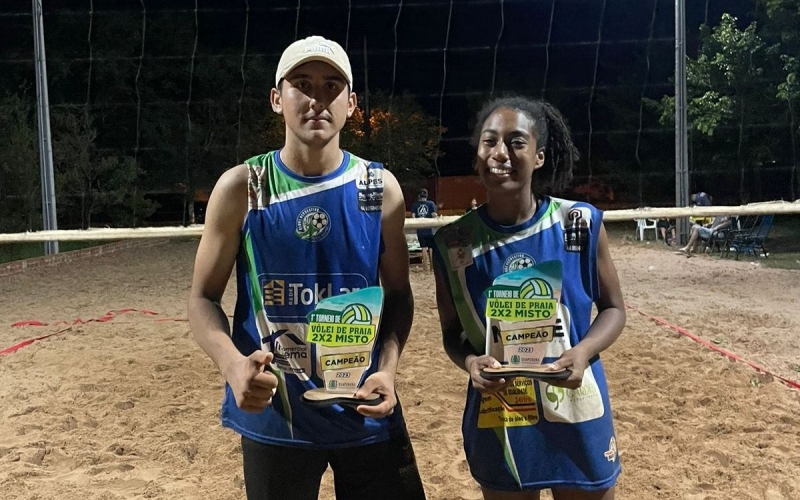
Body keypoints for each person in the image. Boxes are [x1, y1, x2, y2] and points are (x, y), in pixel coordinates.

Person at [187, 35, 425, 500]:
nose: (317, 98)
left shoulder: (380, 188)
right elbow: (201, 298)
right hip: (277, 411)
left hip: (364, 404)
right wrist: (233, 364)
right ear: (277, 98)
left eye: (332, 85)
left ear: (352, 104)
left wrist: (390, 370)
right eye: (302, 83)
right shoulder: (244, 187)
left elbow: (399, 295)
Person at [432, 96, 626, 500]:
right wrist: (470, 361)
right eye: (489, 142)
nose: (500, 153)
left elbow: (613, 310)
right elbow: (452, 332)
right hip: (502, 410)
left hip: (575, 404)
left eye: (516, 142)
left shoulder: (580, 222)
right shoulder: (453, 243)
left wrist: (583, 350)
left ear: (538, 156)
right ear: (477, 155)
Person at [411, 188, 438, 271]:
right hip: (430, 228)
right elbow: (434, 215)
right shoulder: (431, 204)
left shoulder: (415, 205)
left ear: (419, 195)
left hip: (420, 229)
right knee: (431, 248)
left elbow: (413, 216)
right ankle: (432, 267)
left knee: (423, 248)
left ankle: (425, 267)